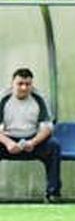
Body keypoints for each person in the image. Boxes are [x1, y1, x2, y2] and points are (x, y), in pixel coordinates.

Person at [0, 68, 61, 202]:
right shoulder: (2, 98)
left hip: (33, 141)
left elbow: (47, 128)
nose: (24, 88)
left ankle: (53, 193)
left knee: (54, 146)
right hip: (7, 140)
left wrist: (32, 142)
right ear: (12, 84)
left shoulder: (40, 98)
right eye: (20, 84)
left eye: (27, 84)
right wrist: (8, 143)